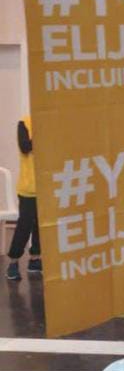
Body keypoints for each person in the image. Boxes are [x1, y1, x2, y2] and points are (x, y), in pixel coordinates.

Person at [6, 116, 41, 280]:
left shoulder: (54, 122)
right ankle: (13, 262)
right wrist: (44, 134)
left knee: (41, 226)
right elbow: (25, 147)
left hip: (47, 187)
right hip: (29, 187)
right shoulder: (24, 123)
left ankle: (35, 259)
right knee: (24, 225)